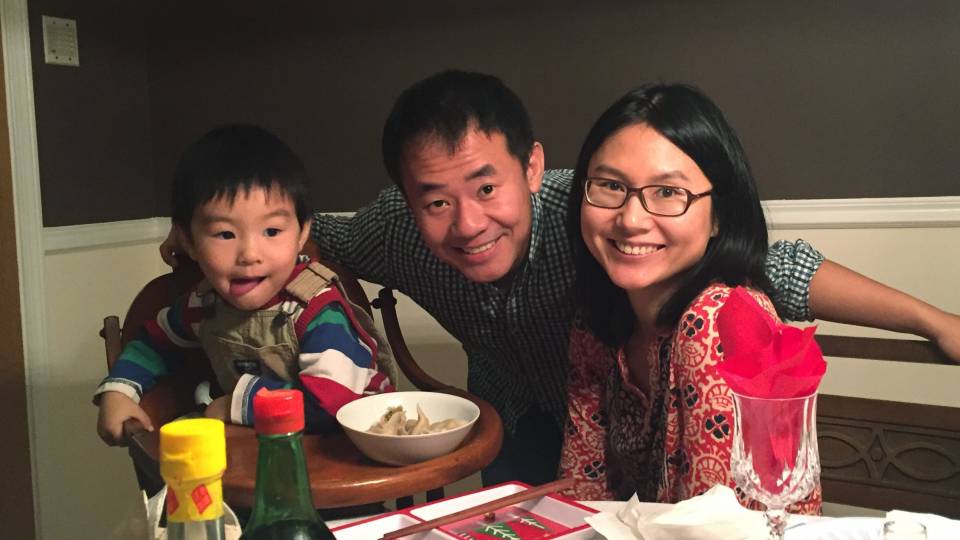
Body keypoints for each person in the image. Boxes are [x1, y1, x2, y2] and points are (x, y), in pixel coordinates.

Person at [159, 70, 960, 486]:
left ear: (534, 166)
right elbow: (291, 235)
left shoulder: (603, 216)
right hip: (519, 420)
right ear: (406, 199)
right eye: (434, 199)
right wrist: (195, 253)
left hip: (644, 426)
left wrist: (934, 319)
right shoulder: (393, 232)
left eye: (486, 187)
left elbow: (773, 267)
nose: (467, 223)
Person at [558, 84, 820, 514]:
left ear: (719, 216)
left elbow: (709, 524)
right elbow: (582, 490)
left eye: (667, 192)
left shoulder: (719, 319)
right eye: (609, 185)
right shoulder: (598, 314)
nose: (631, 219)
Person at [95, 124, 394, 445]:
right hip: (260, 449)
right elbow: (152, 342)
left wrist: (235, 404)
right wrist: (120, 388)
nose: (250, 255)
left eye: (272, 231)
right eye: (225, 234)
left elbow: (330, 404)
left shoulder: (318, 309)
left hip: (344, 453)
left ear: (302, 233)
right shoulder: (203, 305)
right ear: (189, 241)